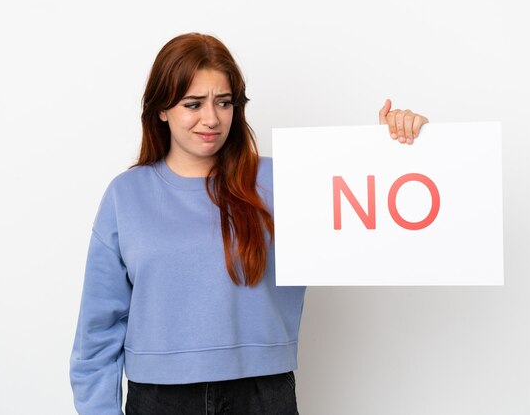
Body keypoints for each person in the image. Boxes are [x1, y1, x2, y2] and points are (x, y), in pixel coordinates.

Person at [69, 32, 429, 415]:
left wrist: (396, 147)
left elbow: (374, 214)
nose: (211, 119)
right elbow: (98, 328)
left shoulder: (285, 179)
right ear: (162, 109)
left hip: (262, 395)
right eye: (193, 104)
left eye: (224, 102)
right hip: (160, 398)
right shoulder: (126, 195)